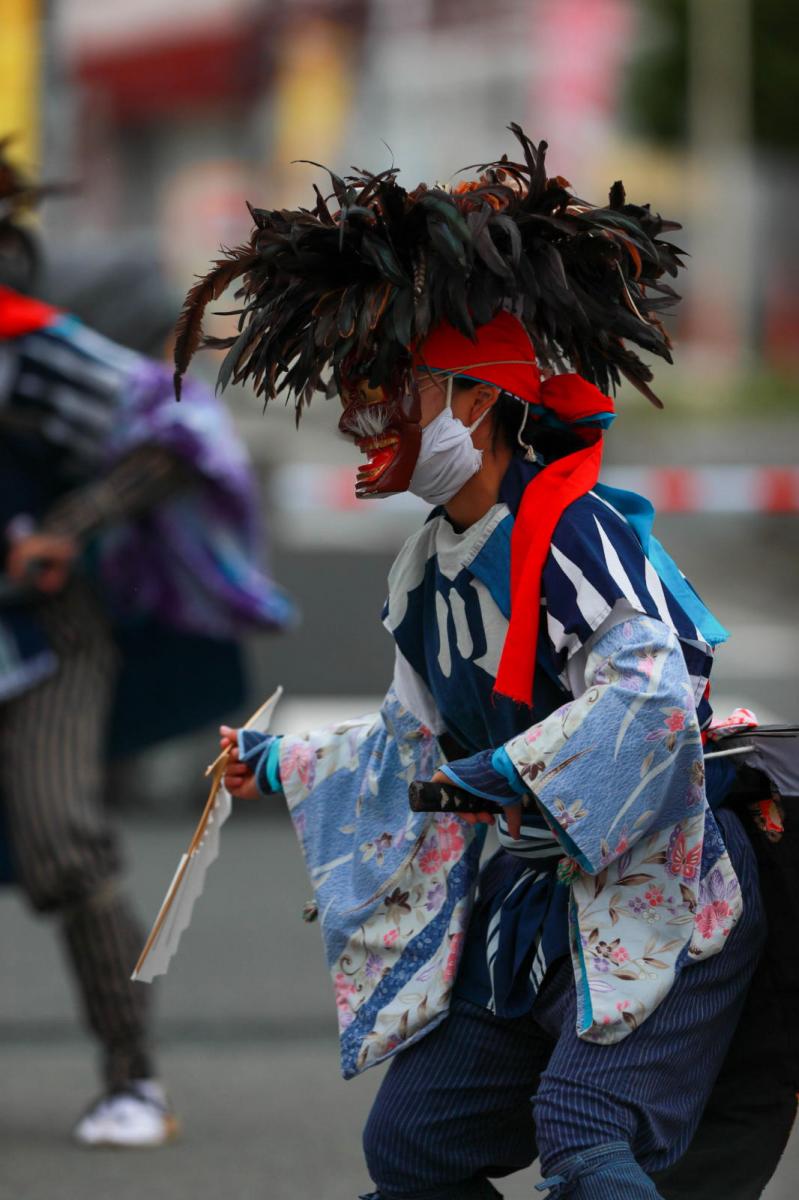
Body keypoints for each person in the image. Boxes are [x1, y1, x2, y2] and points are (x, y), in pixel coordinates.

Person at [179, 126, 779, 1198]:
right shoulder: (419, 571)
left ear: (475, 399)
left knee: (586, 1130)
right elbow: (412, 746)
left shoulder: (574, 530)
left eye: (391, 387)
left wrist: (505, 772)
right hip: (538, 896)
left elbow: (652, 699)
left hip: (657, 881)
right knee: (414, 1149)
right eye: (360, 389)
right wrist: (277, 763)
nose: (363, 417)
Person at [0, 147, 295, 1146]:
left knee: (61, 844)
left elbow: (175, 434)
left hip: (39, 637)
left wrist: (68, 527)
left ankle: (131, 1077)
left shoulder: (29, 351)